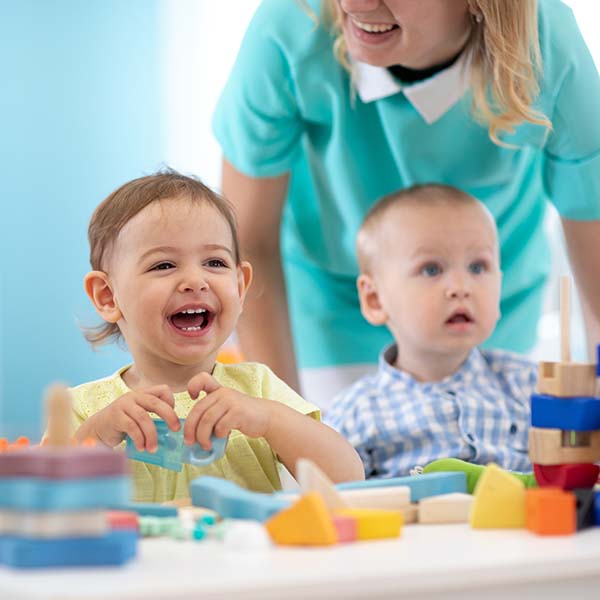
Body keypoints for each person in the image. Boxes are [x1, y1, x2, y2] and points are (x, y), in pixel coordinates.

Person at [212, 0, 600, 411]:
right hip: (334, 312)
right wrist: (284, 417)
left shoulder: (546, 44)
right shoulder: (290, 25)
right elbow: (247, 241)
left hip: (482, 311)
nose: (351, 4)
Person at [71, 170, 364, 502]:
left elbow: (348, 478)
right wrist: (98, 434)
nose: (195, 280)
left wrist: (269, 419)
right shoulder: (84, 407)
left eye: (214, 262)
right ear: (107, 296)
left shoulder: (258, 388)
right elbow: (45, 500)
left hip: (244, 554)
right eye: (164, 265)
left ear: (240, 287)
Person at [325, 184, 537, 478]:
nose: (462, 288)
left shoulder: (529, 384)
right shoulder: (356, 413)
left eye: (478, 267)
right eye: (431, 270)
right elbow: (335, 502)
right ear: (375, 299)